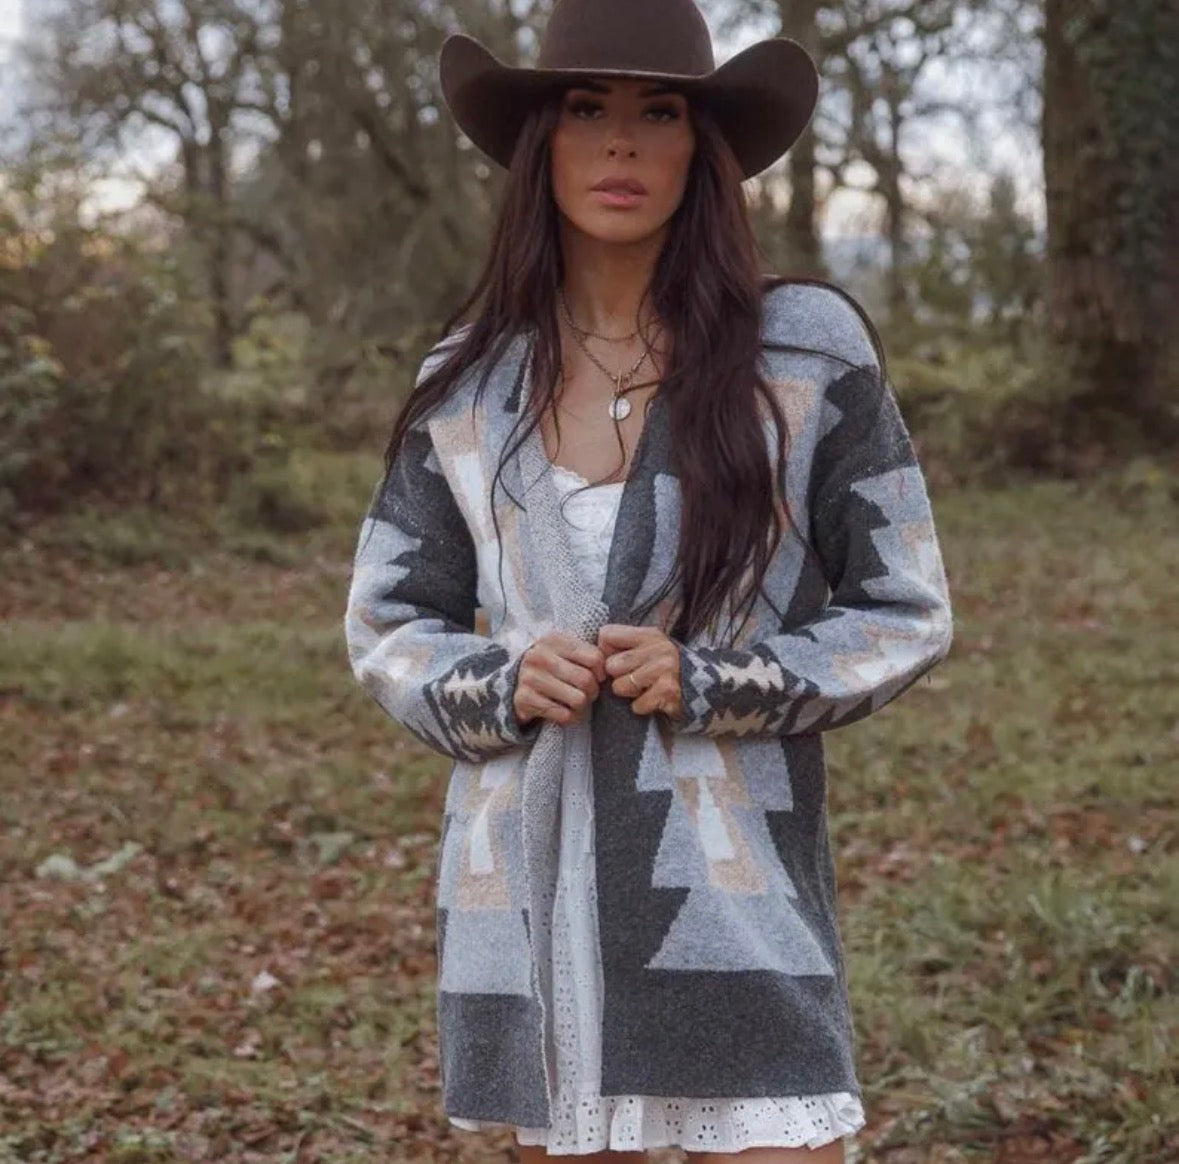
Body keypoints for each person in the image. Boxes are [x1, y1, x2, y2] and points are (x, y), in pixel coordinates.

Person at [343, 1, 954, 1161]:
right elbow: (387, 620)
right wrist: (501, 680)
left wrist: (719, 678)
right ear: (542, 144)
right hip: (525, 890)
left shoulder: (804, 352)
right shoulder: (466, 384)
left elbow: (906, 608)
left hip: (725, 891)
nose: (620, 145)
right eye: (587, 111)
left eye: (657, 113)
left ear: (700, 148)